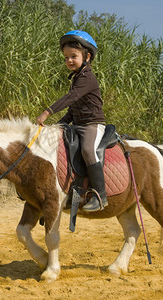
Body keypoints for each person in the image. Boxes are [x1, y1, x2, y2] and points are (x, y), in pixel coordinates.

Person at [36, 30, 107, 212]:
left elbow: (71, 97)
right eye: (66, 57)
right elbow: (72, 110)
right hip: (77, 125)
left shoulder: (87, 78)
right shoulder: (77, 78)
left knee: (87, 150)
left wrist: (47, 113)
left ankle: (100, 195)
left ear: (87, 56)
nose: (69, 60)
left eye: (73, 56)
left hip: (92, 125)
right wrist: (58, 124)